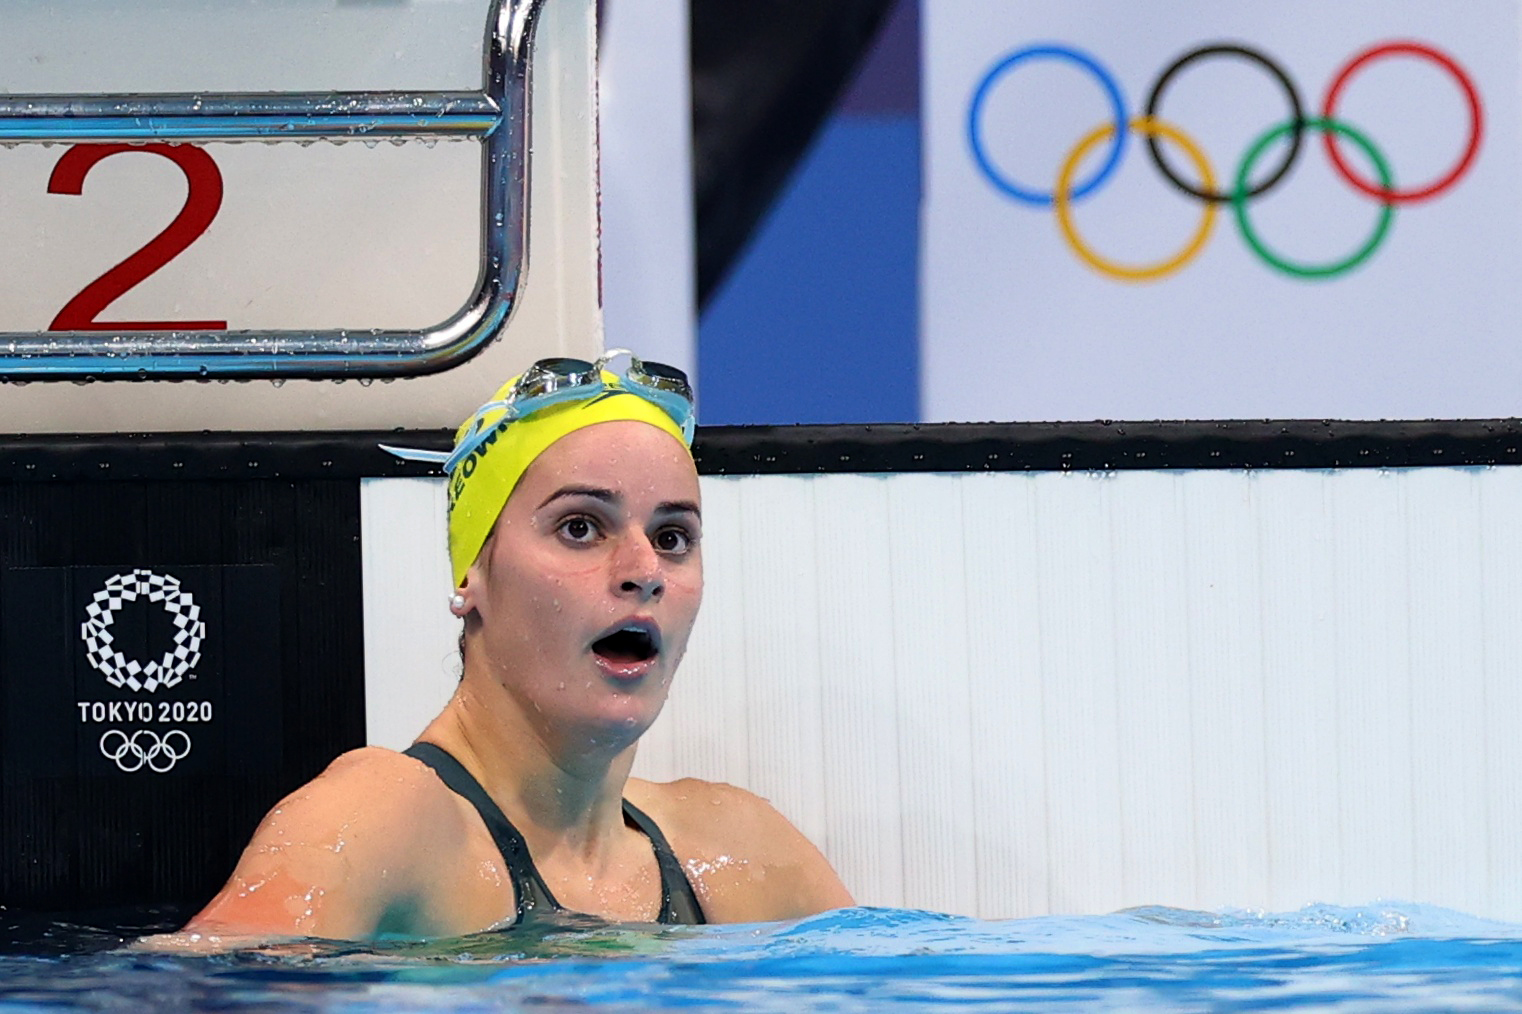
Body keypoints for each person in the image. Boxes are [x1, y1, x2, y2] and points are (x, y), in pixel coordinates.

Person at [175, 351, 852, 942]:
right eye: (580, 527)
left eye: (672, 537)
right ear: (472, 572)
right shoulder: (382, 821)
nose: (644, 571)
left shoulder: (739, 853)